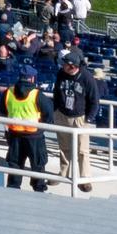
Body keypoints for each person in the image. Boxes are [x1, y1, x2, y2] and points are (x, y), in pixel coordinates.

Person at [45, 52, 97, 191]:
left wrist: (88, 119)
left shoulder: (86, 77)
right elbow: (56, 93)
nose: (63, 66)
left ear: (73, 66)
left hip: (80, 117)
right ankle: (63, 173)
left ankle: (85, 179)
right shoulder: (61, 74)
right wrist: (55, 111)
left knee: (82, 150)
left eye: (66, 65)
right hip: (62, 115)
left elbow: (94, 100)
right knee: (64, 148)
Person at [2, 67, 49, 192]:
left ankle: (13, 188)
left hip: (14, 135)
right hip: (34, 136)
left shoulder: (8, 92)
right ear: (33, 78)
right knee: (38, 164)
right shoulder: (37, 94)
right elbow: (49, 115)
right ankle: (39, 189)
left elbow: (2, 110)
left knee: (15, 163)